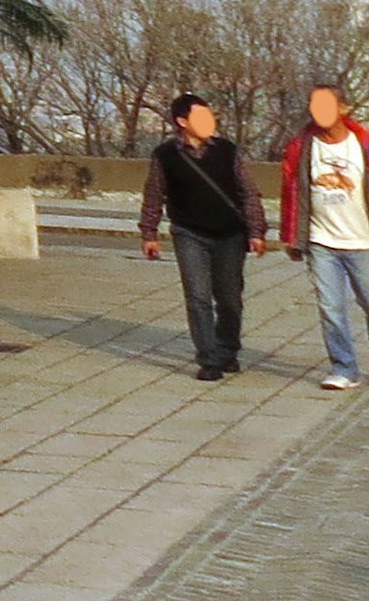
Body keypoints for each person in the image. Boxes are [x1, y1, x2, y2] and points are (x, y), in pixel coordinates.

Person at [140, 95, 267, 380]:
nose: (209, 123)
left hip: (229, 234)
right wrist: (149, 233)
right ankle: (208, 359)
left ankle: (228, 349)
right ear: (182, 122)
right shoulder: (165, 155)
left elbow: (248, 191)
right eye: (201, 118)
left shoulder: (227, 151)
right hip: (189, 232)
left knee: (229, 298)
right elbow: (154, 194)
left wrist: (257, 231)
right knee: (198, 297)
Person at [278, 82, 369, 392]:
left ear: (343, 109)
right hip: (322, 241)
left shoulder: (363, 144)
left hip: (363, 241)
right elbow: (291, 192)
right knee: (330, 307)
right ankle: (344, 368)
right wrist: (292, 236)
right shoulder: (301, 146)